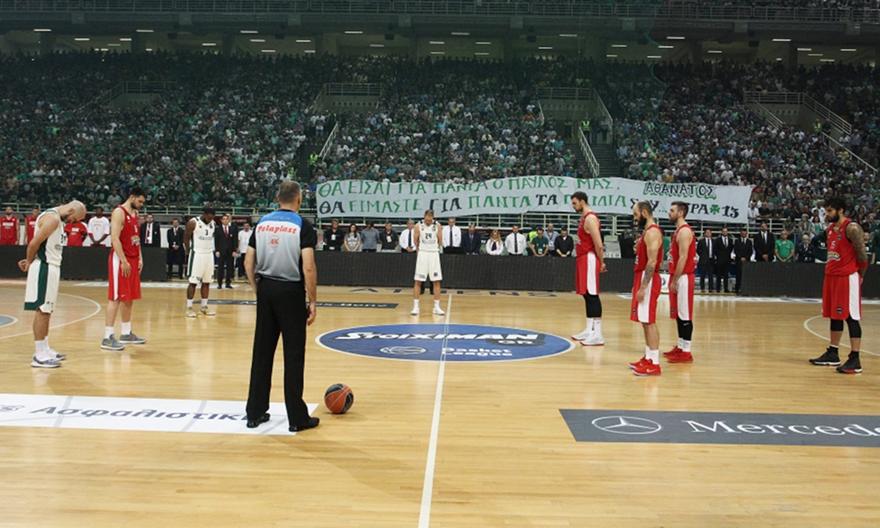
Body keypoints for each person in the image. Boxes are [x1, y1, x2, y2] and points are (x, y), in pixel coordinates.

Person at [245, 180, 320, 433]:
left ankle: (254, 413)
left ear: (278, 198)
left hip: (266, 288)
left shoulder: (262, 223)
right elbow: (308, 266)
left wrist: (258, 289)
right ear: (298, 199)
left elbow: (248, 261)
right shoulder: (303, 225)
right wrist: (313, 300)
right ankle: (297, 418)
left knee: (262, 352)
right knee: (293, 355)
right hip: (291, 291)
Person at [19, 201, 87, 368]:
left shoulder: (58, 219)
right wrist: (28, 262)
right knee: (43, 310)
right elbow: (34, 243)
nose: (72, 222)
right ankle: (39, 354)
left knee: (47, 310)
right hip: (45, 266)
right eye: (74, 219)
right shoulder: (52, 219)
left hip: (51, 266)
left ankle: (45, 348)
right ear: (71, 210)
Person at [809, 197, 869, 375]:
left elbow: (863, 256)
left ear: (840, 210)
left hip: (847, 277)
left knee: (851, 317)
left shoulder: (851, 228)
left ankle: (855, 358)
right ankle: (833, 353)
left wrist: (860, 276)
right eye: (826, 211)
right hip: (832, 277)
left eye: (830, 211)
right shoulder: (830, 230)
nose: (826, 214)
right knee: (835, 315)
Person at [102, 187, 147, 351]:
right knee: (115, 297)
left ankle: (126, 332)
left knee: (129, 297)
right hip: (121, 259)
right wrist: (123, 260)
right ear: (132, 197)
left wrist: (140, 256)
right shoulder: (118, 212)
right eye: (140, 201)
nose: (141, 205)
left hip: (134, 259)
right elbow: (114, 238)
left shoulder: (135, 214)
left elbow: (136, 239)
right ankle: (107, 336)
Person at [628, 202, 664, 377]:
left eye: (636, 215)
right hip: (641, 276)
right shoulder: (647, 232)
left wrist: (643, 287)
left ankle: (655, 363)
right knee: (644, 320)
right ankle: (648, 357)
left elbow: (652, 262)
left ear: (644, 212)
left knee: (649, 320)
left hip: (648, 279)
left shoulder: (652, 232)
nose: (635, 219)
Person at [570, 192, 606, 345]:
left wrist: (602, 261)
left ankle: (597, 334)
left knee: (592, 295)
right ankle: (589, 329)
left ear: (582, 201)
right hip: (583, 258)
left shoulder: (590, 218)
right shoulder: (584, 218)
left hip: (590, 258)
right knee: (586, 294)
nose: (573, 206)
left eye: (574, 203)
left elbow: (598, 243)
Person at [664, 201, 696, 363]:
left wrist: (675, 279)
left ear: (681, 212)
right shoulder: (678, 230)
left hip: (683, 277)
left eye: (672, 210)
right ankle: (681, 346)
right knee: (678, 313)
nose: (669, 213)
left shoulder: (684, 231)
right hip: (677, 275)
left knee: (684, 314)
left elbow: (683, 257)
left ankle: (687, 350)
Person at [184, 207, 217, 318]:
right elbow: (186, 238)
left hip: (209, 254)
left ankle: (204, 307)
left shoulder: (213, 223)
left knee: (207, 282)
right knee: (193, 282)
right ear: (204, 214)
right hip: (197, 253)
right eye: (209, 216)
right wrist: (188, 251)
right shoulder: (193, 222)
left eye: (212, 216)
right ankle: (189, 307)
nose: (210, 218)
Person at [411, 209, 445, 316]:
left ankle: (437, 307)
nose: (429, 220)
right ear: (424, 216)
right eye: (427, 218)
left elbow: (440, 240)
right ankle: (416, 307)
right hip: (423, 253)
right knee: (418, 281)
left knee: (436, 281)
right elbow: (415, 240)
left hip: (434, 253)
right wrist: (419, 251)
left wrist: (434, 249)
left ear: (433, 217)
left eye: (431, 218)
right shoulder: (418, 226)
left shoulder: (438, 226)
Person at [214, 214, 237, 289]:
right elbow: (216, 241)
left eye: (226, 219)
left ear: (229, 220)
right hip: (221, 251)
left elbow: (234, 241)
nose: (225, 220)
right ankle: (219, 284)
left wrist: (234, 250)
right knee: (220, 268)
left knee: (229, 268)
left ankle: (228, 283)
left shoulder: (232, 229)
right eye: (223, 219)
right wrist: (217, 250)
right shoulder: (218, 229)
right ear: (221, 220)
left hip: (230, 251)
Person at [733, 228, 754, 294]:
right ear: (740, 233)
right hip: (739, 261)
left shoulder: (749, 241)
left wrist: (745, 257)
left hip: (747, 261)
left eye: (745, 233)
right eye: (742, 233)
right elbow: (735, 251)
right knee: (738, 276)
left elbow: (750, 251)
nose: (743, 234)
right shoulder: (737, 241)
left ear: (746, 234)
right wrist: (741, 257)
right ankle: (737, 290)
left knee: (746, 276)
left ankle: (745, 290)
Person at [714, 227, 734, 293]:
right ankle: (718, 289)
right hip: (719, 260)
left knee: (726, 276)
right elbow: (715, 250)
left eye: (726, 231)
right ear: (721, 232)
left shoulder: (730, 240)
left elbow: (730, 249)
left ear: (727, 232)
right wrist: (719, 257)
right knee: (718, 275)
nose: (725, 232)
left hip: (727, 260)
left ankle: (726, 289)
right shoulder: (717, 240)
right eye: (724, 231)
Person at [697, 229, 715, 293]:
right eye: (707, 232)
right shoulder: (701, 241)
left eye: (709, 232)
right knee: (703, 275)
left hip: (711, 260)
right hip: (703, 261)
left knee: (711, 275)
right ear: (704, 233)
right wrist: (703, 256)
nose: (708, 233)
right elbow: (698, 250)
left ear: (711, 233)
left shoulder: (714, 241)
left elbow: (715, 250)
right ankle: (702, 288)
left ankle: (711, 289)